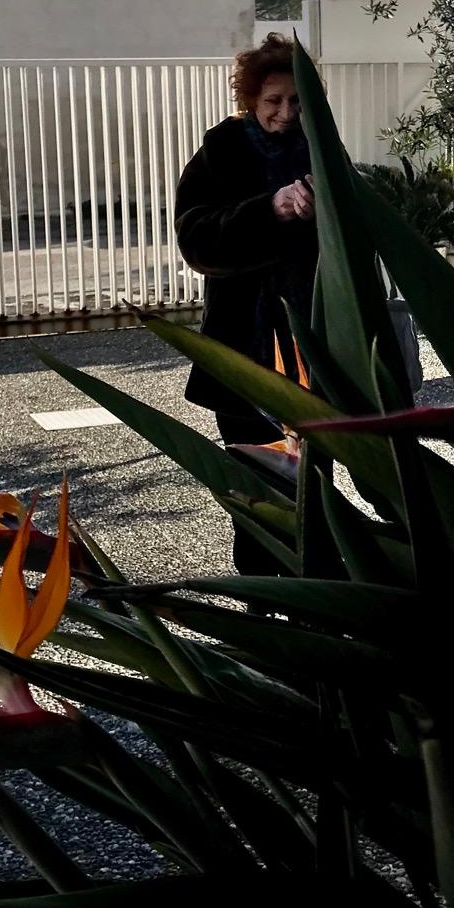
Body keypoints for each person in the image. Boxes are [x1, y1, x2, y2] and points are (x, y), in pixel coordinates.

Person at [174, 34, 316, 572]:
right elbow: (196, 236)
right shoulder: (222, 150)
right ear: (250, 100)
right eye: (273, 101)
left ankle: (314, 596)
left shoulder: (318, 145)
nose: (286, 113)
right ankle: (262, 593)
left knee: (313, 484)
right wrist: (268, 210)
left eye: (296, 101)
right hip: (244, 350)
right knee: (256, 486)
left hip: (311, 351)